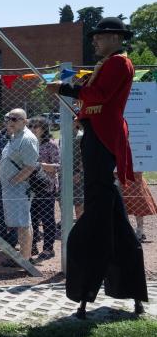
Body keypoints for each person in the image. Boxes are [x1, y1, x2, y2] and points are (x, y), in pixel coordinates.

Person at [46, 16, 147, 317]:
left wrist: (65, 88)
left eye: (100, 37)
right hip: (98, 134)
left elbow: (100, 96)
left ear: (116, 38)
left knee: (99, 210)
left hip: (103, 139)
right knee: (112, 213)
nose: (95, 41)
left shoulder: (117, 64)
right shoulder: (110, 64)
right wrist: (83, 112)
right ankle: (130, 291)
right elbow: (96, 102)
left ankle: (88, 279)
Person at [0, 109, 38, 265]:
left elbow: (30, 166)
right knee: (20, 223)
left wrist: (14, 181)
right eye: (7, 119)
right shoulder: (15, 136)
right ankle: (23, 257)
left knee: (23, 223)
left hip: (20, 188)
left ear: (24, 121)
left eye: (14, 119)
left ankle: (25, 260)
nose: (10, 122)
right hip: (11, 188)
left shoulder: (27, 139)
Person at [27, 116, 60, 262]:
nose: (33, 129)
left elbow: (57, 166)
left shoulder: (51, 145)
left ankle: (48, 248)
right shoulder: (29, 143)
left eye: (36, 126)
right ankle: (32, 246)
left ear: (44, 129)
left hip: (47, 187)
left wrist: (39, 165)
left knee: (47, 218)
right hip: (30, 187)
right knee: (31, 218)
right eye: (32, 126)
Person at [118, 172, 155, 242]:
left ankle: (139, 231)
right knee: (119, 205)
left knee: (139, 203)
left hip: (134, 175)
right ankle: (123, 232)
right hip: (119, 174)